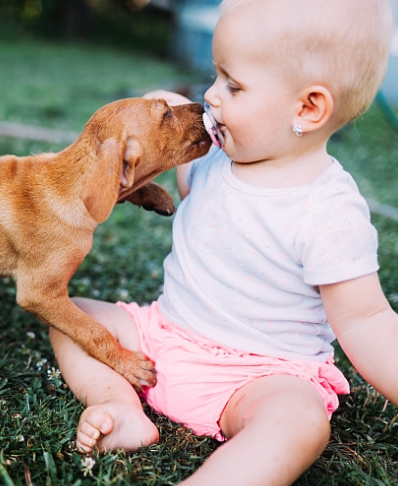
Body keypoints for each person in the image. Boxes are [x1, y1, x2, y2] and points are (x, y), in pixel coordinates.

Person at [49, 0, 398, 484]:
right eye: (215, 76)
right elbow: (162, 109)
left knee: (297, 421)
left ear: (308, 107)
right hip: (162, 339)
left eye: (233, 85)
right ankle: (119, 404)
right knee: (72, 317)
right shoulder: (215, 157)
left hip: (259, 376)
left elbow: (368, 320)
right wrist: (154, 108)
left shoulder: (328, 210)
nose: (212, 96)